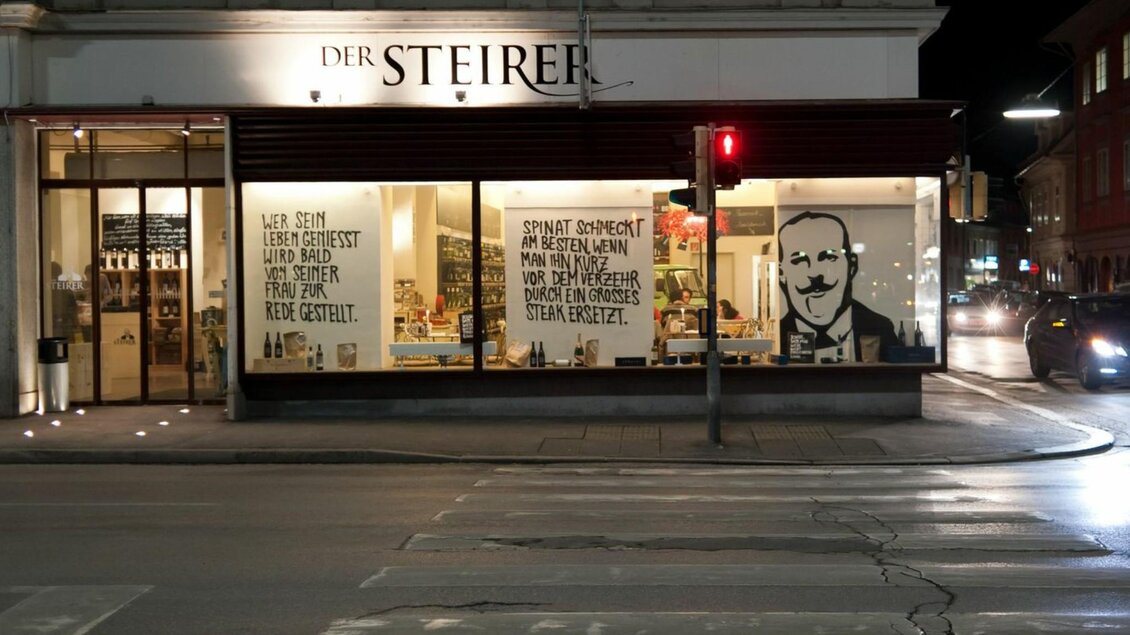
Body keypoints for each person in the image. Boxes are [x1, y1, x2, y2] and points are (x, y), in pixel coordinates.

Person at [777, 211, 897, 362]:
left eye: (829, 257)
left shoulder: (879, 328)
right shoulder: (777, 337)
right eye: (799, 261)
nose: (815, 273)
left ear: (852, 267)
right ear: (781, 274)